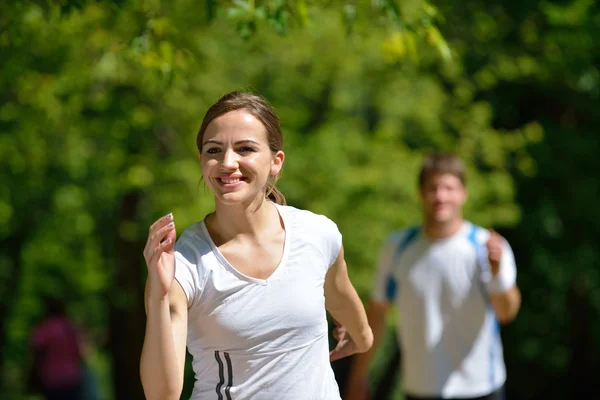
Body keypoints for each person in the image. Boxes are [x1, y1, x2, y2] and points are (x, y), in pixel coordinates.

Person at [140, 91, 373, 400]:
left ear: (276, 162)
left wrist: (362, 339)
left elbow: (342, 298)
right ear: (201, 161)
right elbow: (162, 394)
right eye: (214, 150)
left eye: (245, 148)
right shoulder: (184, 264)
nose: (227, 162)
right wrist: (158, 295)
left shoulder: (318, 234)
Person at [345, 152, 521, 400]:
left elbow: (507, 312)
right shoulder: (397, 248)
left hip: (481, 388)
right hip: (420, 389)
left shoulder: (488, 247)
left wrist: (497, 272)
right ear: (421, 193)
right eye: (433, 188)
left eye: (449, 188)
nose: (441, 196)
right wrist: (358, 376)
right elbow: (376, 315)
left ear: (463, 194)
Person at [29, 297, 84, 400]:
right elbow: (79, 354)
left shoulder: (44, 329)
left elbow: (37, 352)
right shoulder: (70, 328)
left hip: (51, 378)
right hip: (71, 377)